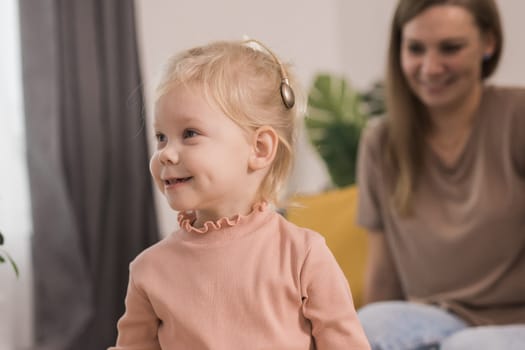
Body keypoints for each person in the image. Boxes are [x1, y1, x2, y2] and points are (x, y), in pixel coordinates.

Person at [109, 39, 370, 350]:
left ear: (259, 148)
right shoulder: (148, 270)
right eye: (161, 137)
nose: (166, 153)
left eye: (189, 134)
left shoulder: (303, 255)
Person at [356, 0, 525, 349]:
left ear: (488, 43)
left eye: (451, 48)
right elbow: (383, 275)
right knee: (368, 324)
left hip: (516, 322)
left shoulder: (518, 118)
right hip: (437, 317)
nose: (431, 68)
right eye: (416, 49)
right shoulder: (381, 143)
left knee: (469, 347)